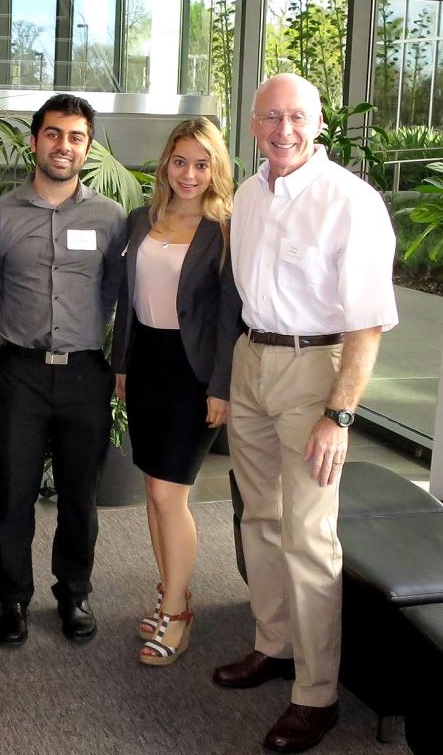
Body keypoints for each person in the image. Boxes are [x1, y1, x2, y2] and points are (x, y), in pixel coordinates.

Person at [212, 73, 398, 752]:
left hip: (314, 375)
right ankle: (274, 644)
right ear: (253, 124)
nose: (282, 130)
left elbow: (367, 326)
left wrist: (337, 415)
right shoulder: (249, 194)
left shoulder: (349, 201)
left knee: (310, 538)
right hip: (252, 362)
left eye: (295, 117)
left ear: (317, 123)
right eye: (269, 118)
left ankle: (315, 695)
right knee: (257, 518)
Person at [0, 94, 126, 647]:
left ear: (88, 147)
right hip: (20, 369)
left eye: (77, 137)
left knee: (78, 494)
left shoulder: (110, 218)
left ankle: (74, 592)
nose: (64, 146)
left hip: (86, 373)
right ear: (35, 139)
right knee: (14, 491)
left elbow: (115, 291)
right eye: (54, 134)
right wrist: (13, 321)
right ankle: (12, 598)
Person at [111, 118, 242, 666]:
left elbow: (231, 317)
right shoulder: (143, 219)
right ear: (167, 163)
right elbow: (127, 299)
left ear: (216, 169)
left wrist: (221, 387)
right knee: (153, 492)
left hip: (194, 374)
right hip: (145, 365)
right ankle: (172, 591)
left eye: (202, 163)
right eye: (181, 161)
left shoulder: (226, 229)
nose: (189, 174)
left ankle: (178, 614)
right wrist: (120, 366)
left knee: (171, 495)